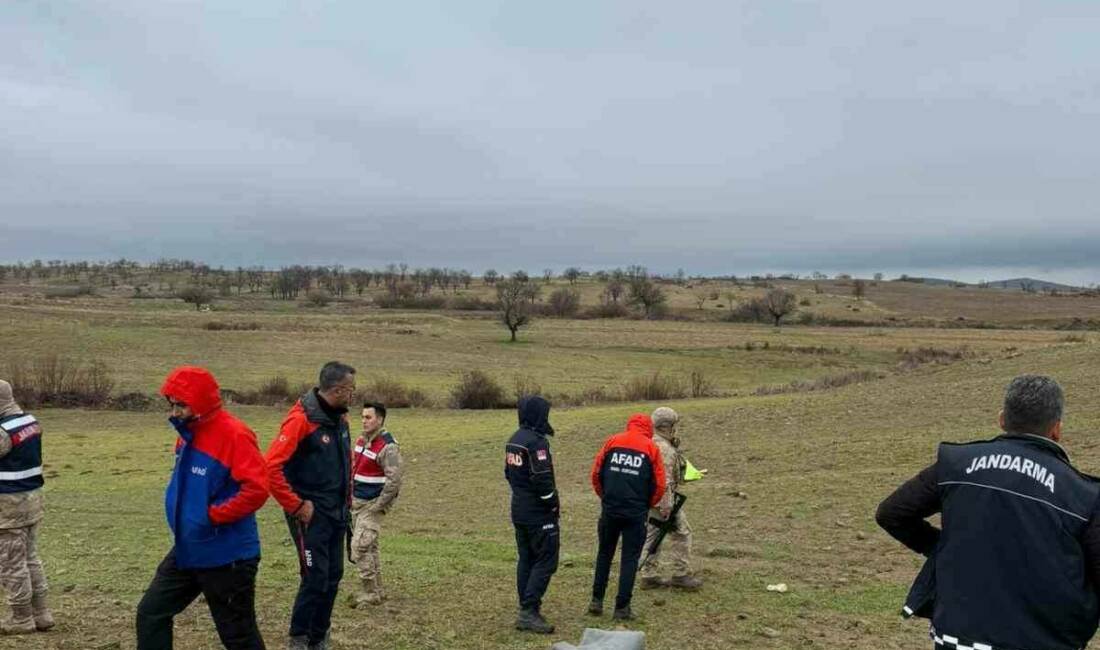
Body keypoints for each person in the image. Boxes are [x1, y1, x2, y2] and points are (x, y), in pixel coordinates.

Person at [877, 375, 1100, 650]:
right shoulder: (1083, 494)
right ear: (1057, 429)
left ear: (1002, 420)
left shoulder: (957, 465)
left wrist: (946, 548)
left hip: (957, 638)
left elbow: (892, 513)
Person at [135, 367, 269, 649]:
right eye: (172, 404)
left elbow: (256, 489)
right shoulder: (186, 434)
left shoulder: (234, 435)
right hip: (189, 548)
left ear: (201, 403)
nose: (175, 411)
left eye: (181, 404)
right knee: (151, 613)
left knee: (238, 636)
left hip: (227, 556)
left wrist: (211, 517)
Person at [265, 362, 355, 650]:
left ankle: (319, 636)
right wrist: (296, 506)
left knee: (333, 576)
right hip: (310, 516)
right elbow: (270, 468)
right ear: (338, 390)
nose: (354, 395)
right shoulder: (300, 421)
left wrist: (347, 502)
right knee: (315, 576)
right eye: (351, 389)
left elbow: (342, 466)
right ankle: (299, 637)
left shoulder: (341, 420)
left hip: (337, 513)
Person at [588, 413, 666, 621]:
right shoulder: (651, 448)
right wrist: (647, 504)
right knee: (629, 559)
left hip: (610, 509)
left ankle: (596, 600)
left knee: (604, 554)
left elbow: (596, 473)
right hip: (636, 512)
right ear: (648, 428)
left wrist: (605, 497)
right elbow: (659, 484)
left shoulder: (612, 441)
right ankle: (622, 608)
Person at [0, 380, 53, 635]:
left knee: (11, 563)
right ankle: (41, 613)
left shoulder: (3, 432)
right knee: (30, 558)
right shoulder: (29, 422)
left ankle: (20, 617)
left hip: (8, 506)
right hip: (31, 501)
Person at [504, 395, 560, 634]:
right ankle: (528, 611)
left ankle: (527, 605)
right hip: (538, 512)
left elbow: (508, 473)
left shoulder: (514, 439)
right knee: (546, 559)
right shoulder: (537, 443)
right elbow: (542, 479)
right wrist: (552, 503)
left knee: (526, 557)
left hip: (519, 507)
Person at [639, 407, 702, 591]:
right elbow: (664, 480)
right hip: (663, 500)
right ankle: (680, 575)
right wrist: (666, 505)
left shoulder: (651, 442)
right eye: (674, 425)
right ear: (667, 427)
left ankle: (649, 576)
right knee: (682, 533)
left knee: (652, 535)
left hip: (650, 498)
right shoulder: (664, 449)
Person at [349, 401, 403, 607]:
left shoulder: (388, 446)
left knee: (360, 547)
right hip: (358, 503)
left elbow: (395, 481)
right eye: (362, 417)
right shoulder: (362, 441)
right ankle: (378, 590)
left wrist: (378, 505)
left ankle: (370, 593)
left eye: (368, 417)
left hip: (372, 505)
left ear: (379, 419)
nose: (364, 421)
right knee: (370, 547)